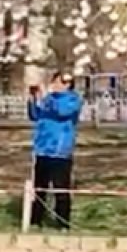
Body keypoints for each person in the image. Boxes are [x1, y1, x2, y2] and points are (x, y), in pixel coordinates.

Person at [26, 72, 83, 229]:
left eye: (60, 83)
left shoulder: (73, 100)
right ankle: (36, 220)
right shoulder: (48, 99)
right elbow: (35, 115)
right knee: (39, 188)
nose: (56, 86)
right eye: (55, 82)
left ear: (68, 85)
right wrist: (33, 98)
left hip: (60, 152)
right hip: (42, 149)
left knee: (60, 189)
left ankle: (63, 223)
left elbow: (62, 112)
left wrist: (46, 96)